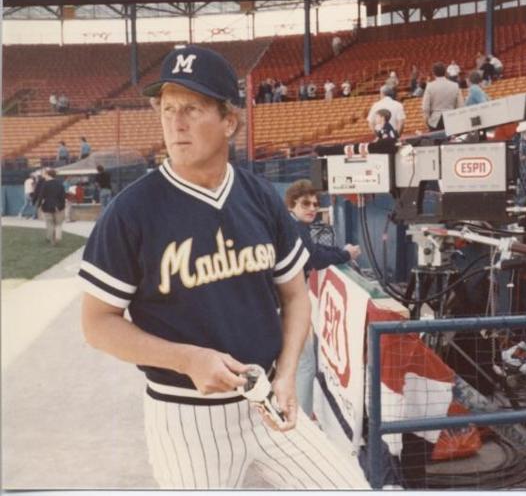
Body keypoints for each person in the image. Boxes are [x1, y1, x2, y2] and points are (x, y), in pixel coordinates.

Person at [78, 44, 369, 490]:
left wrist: (288, 374)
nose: (175, 122)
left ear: (229, 122)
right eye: (168, 107)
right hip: (184, 417)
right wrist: (186, 358)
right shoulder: (130, 211)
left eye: (192, 108)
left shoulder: (259, 197)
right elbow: (97, 324)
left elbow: (295, 295)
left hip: (269, 401)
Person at [284, 179, 361, 417]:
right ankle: (302, 421)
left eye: (315, 204)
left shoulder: (294, 226)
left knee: (292, 361)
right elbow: (313, 257)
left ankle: (290, 412)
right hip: (286, 302)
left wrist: (341, 253)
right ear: (291, 205)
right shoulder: (293, 227)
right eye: (305, 203)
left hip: (282, 299)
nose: (312, 208)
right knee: (305, 362)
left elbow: (314, 249)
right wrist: (345, 255)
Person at [421, 62, 463, 131]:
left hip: (435, 121)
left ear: (433, 73)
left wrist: (427, 121)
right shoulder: (455, 85)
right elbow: (461, 105)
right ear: (445, 72)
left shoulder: (430, 86)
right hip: (452, 119)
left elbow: (425, 107)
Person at [36, 168, 65, 245]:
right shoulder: (60, 184)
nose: (44, 176)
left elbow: (41, 196)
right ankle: (58, 237)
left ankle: (51, 239)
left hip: (47, 206)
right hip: (58, 206)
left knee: (50, 223)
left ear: (48, 175)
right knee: (58, 224)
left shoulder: (45, 184)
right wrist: (62, 206)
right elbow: (62, 196)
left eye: (45, 174)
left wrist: (38, 205)